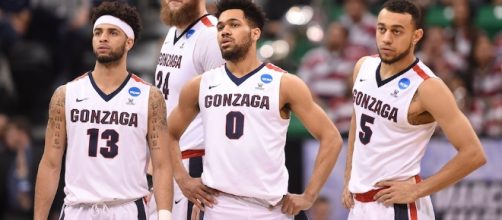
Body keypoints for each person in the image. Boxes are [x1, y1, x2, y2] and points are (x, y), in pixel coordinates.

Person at [167, 0, 343, 219]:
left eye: (234, 25)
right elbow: (169, 133)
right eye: (220, 27)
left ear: (255, 33)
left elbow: (331, 138)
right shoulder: (199, 85)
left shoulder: (285, 84)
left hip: (270, 208)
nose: (225, 32)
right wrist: (182, 179)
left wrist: (309, 195)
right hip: (218, 206)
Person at [341, 1, 487, 219]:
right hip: (359, 204)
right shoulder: (364, 66)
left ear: (416, 35)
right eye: (382, 29)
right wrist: (349, 177)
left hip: (397, 207)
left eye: (397, 31)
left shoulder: (427, 87)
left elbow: (474, 154)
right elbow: (358, 118)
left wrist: (418, 190)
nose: (387, 38)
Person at [33, 2, 173, 220]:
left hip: (126, 208)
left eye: (112, 32)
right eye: (98, 32)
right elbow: (50, 163)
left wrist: (165, 215)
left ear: (129, 42)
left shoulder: (150, 98)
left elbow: (162, 164)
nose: (103, 38)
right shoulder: (65, 94)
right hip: (77, 209)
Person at [148, 0, 225, 219]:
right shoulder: (173, 31)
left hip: (194, 164)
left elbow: (224, 111)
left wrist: (187, 177)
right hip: (168, 162)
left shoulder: (212, 35)